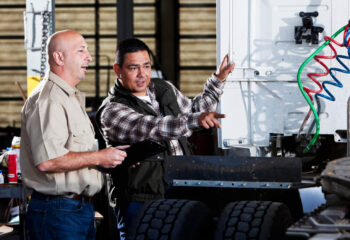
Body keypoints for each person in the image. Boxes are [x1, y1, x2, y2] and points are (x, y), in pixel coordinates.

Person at [96, 38, 235, 237]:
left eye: (146, 66)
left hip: (178, 190)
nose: (142, 74)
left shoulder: (162, 89)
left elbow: (194, 109)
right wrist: (192, 121)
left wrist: (218, 80)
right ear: (117, 70)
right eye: (133, 68)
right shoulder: (112, 110)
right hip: (140, 199)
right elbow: (152, 126)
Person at [20, 29, 128, 240]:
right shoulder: (49, 100)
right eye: (81, 51)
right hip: (58, 212)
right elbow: (48, 161)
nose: (88, 57)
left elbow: (75, 154)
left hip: (76, 210)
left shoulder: (69, 98)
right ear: (59, 57)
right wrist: (100, 157)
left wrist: (111, 157)